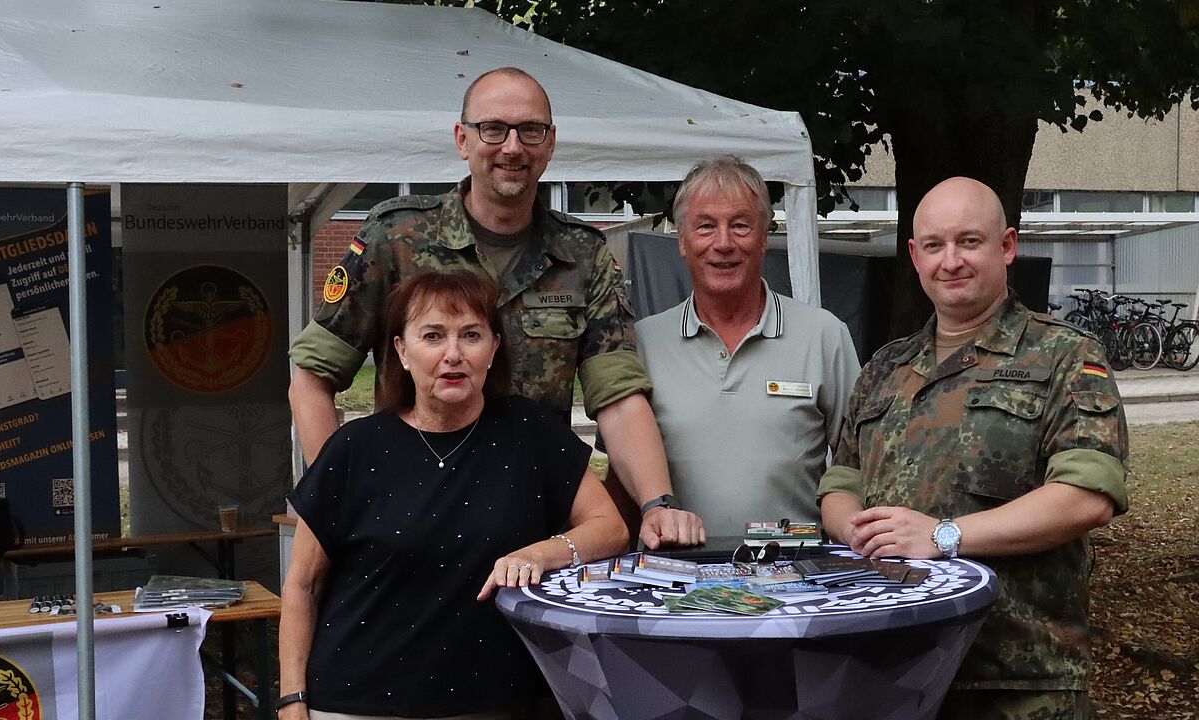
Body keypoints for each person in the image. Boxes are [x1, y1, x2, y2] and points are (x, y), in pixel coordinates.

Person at [287, 66, 703, 549]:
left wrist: (657, 503)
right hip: (411, 528)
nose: (512, 147)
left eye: (530, 130)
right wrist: (339, 503)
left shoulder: (583, 255)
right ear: (463, 139)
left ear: (549, 143)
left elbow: (619, 397)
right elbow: (312, 377)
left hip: (536, 535)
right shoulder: (395, 238)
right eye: (493, 129)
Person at [818, 177, 1129, 719]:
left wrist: (943, 536)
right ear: (914, 256)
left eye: (969, 241)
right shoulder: (885, 368)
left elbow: (1086, 495)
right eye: (934, 245)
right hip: (890, 668)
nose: (951, 261)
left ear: (1007, 246)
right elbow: (841, 484)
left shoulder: (1064, 356)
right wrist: (857, 532)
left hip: (1014, 679)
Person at [278, 271, 627, 720]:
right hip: (356, 701)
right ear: (402, 351)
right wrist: (292, 699)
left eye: (471, 335)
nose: (453, 355)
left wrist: (543, 553)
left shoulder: (531, 434)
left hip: (497, 701)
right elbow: (303, 584)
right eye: (433, 336)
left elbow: (611, 528)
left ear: (494, 347)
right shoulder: (354, 448)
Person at [613, 155, 859, 538]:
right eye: (705, 226)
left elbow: (859, 463)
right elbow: (620, 476)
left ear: (764, 237)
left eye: (741, 225)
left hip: (794, 578)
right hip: (675, 578)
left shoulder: (824, 336)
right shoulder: (641, 343)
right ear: (681, 240)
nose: (723, 243)